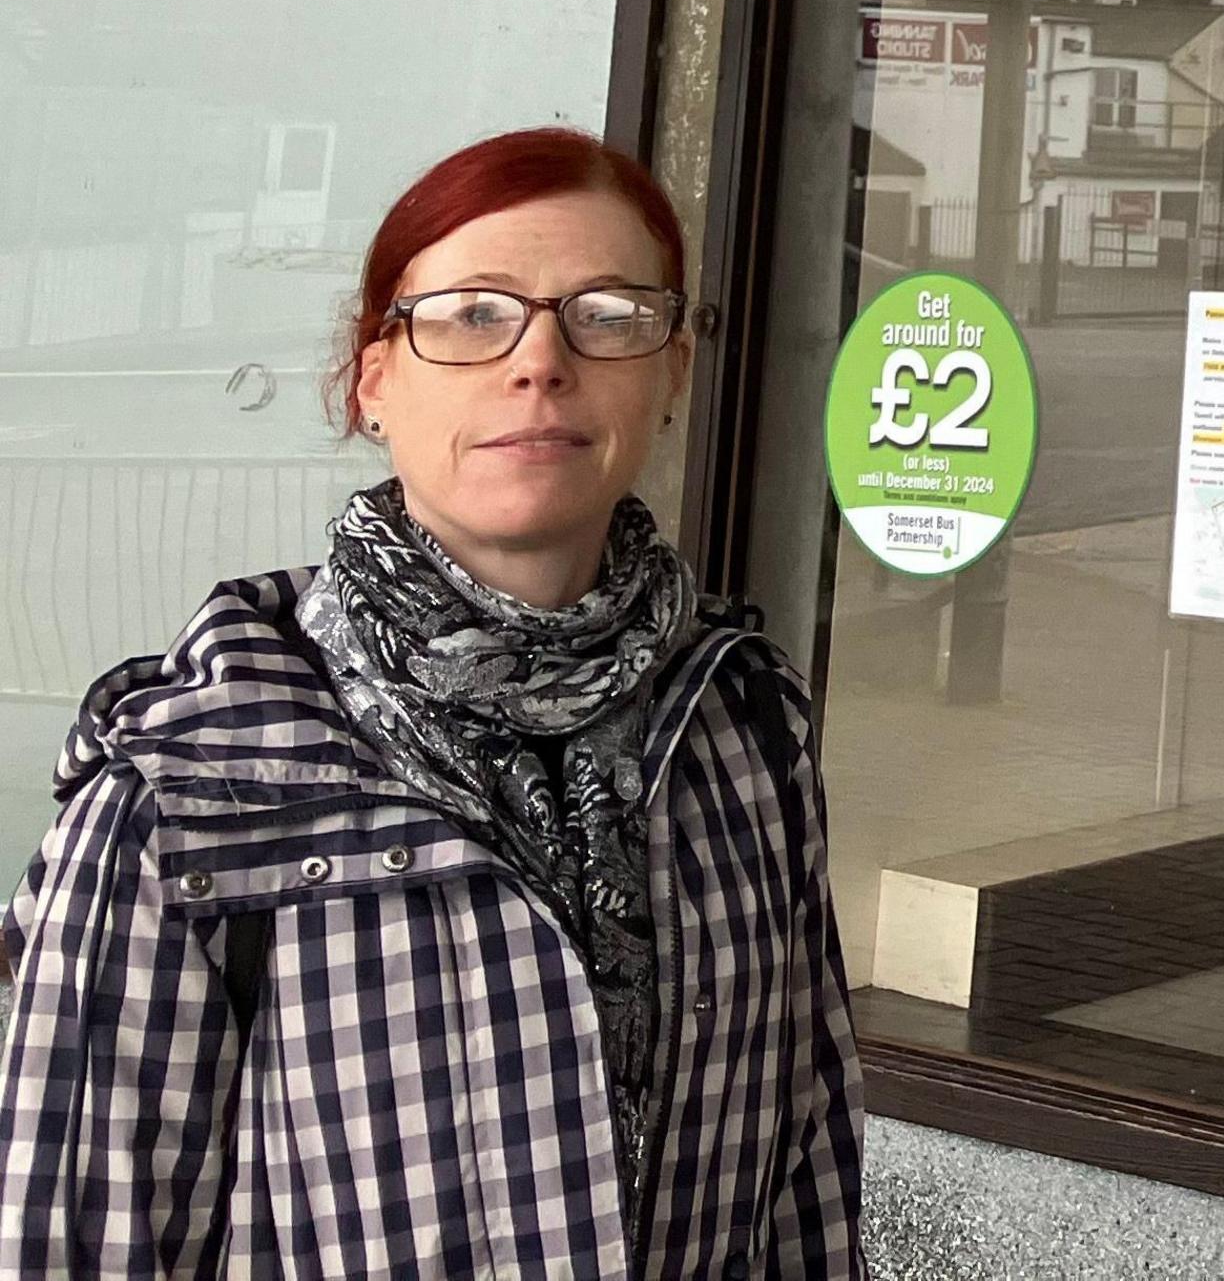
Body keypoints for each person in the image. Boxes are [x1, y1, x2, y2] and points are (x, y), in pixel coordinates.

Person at [0, 129, 868, 1278]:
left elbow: (802, 1180)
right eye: (470, 314)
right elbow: (75, 1240)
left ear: (671, 376)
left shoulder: (742, 729)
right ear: (373, 383)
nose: (539, 362)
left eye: (606, 314)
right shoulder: (197, 787)